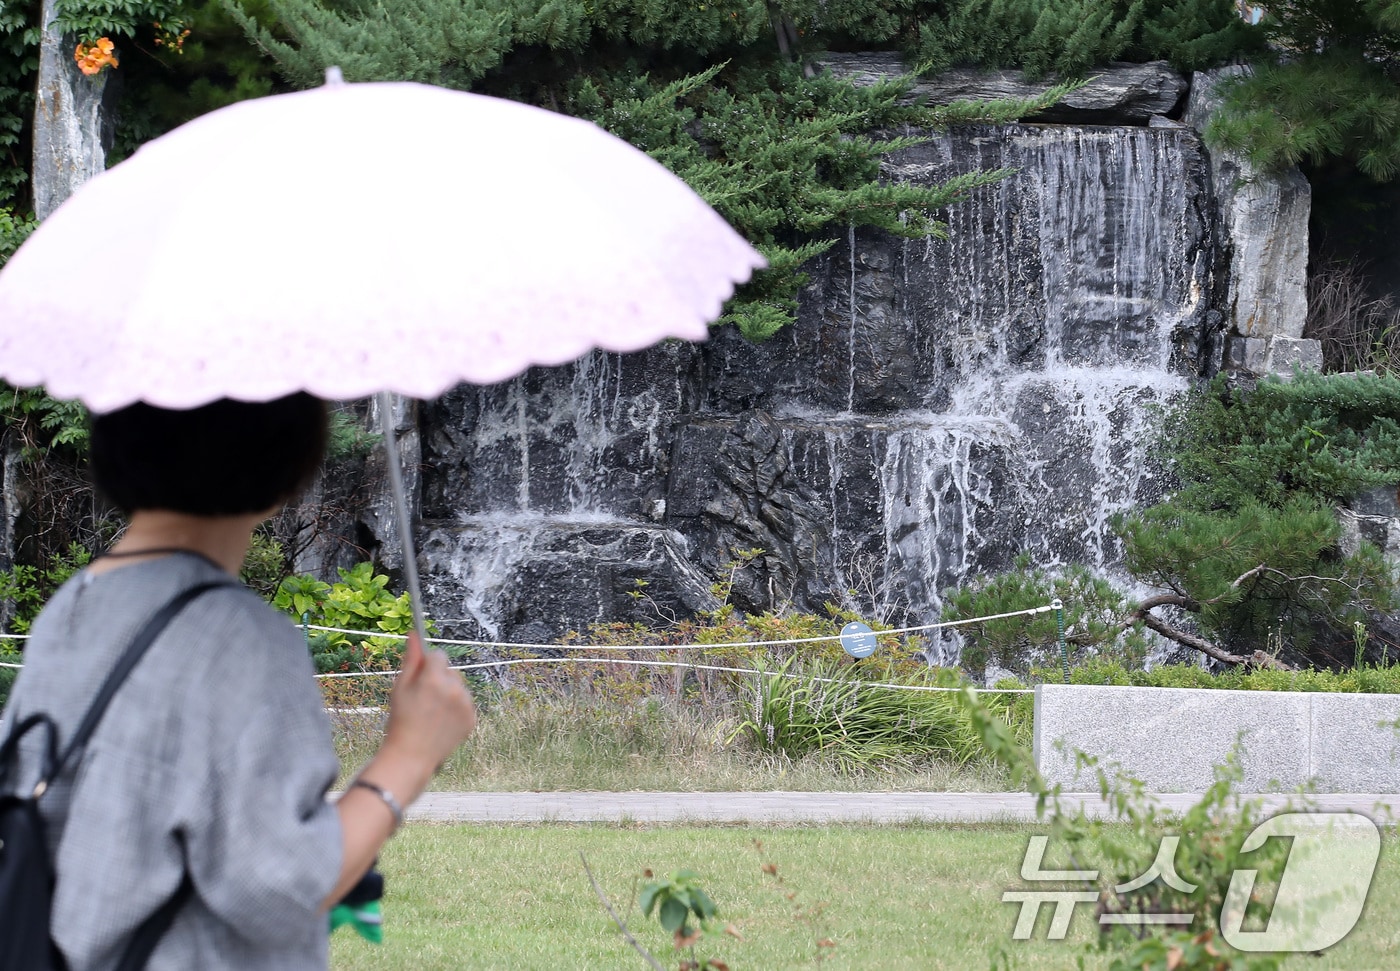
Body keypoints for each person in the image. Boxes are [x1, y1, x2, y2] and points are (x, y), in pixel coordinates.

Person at [0, 393, 477, 969]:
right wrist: (409, 756)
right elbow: (278, 887)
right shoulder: (238, 636)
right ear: (286, 465)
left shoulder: (71, 609)